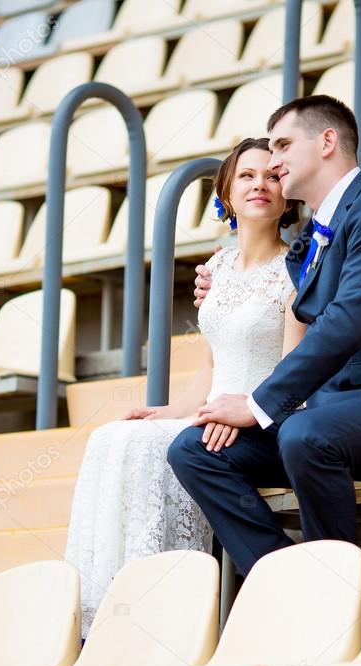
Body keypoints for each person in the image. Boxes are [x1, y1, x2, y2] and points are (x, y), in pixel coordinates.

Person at [169, 95, 361, 581]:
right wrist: (220, 283)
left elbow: (346, 322)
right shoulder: (314, 234)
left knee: (306, 435)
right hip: (329, 413)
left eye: (283, 145)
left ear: (327, 141)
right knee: (194, 449)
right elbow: (294, 304)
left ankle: (337, 592)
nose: (275, 160)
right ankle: (286, 577)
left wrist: (258, 404)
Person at [64, 138, 306, 638]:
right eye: (246, 175)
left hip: (258, 416)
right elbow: (213, 364)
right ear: (226, 192)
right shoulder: (216, 269)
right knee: (113, 436)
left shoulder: (296, 271)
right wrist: (171, 410)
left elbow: (294, 371)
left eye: (271, 176)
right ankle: (110, 609)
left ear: (288, 196)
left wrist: (240, 411)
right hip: (211, 410)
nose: (259, 184)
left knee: (146, 446)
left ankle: (162, 615)